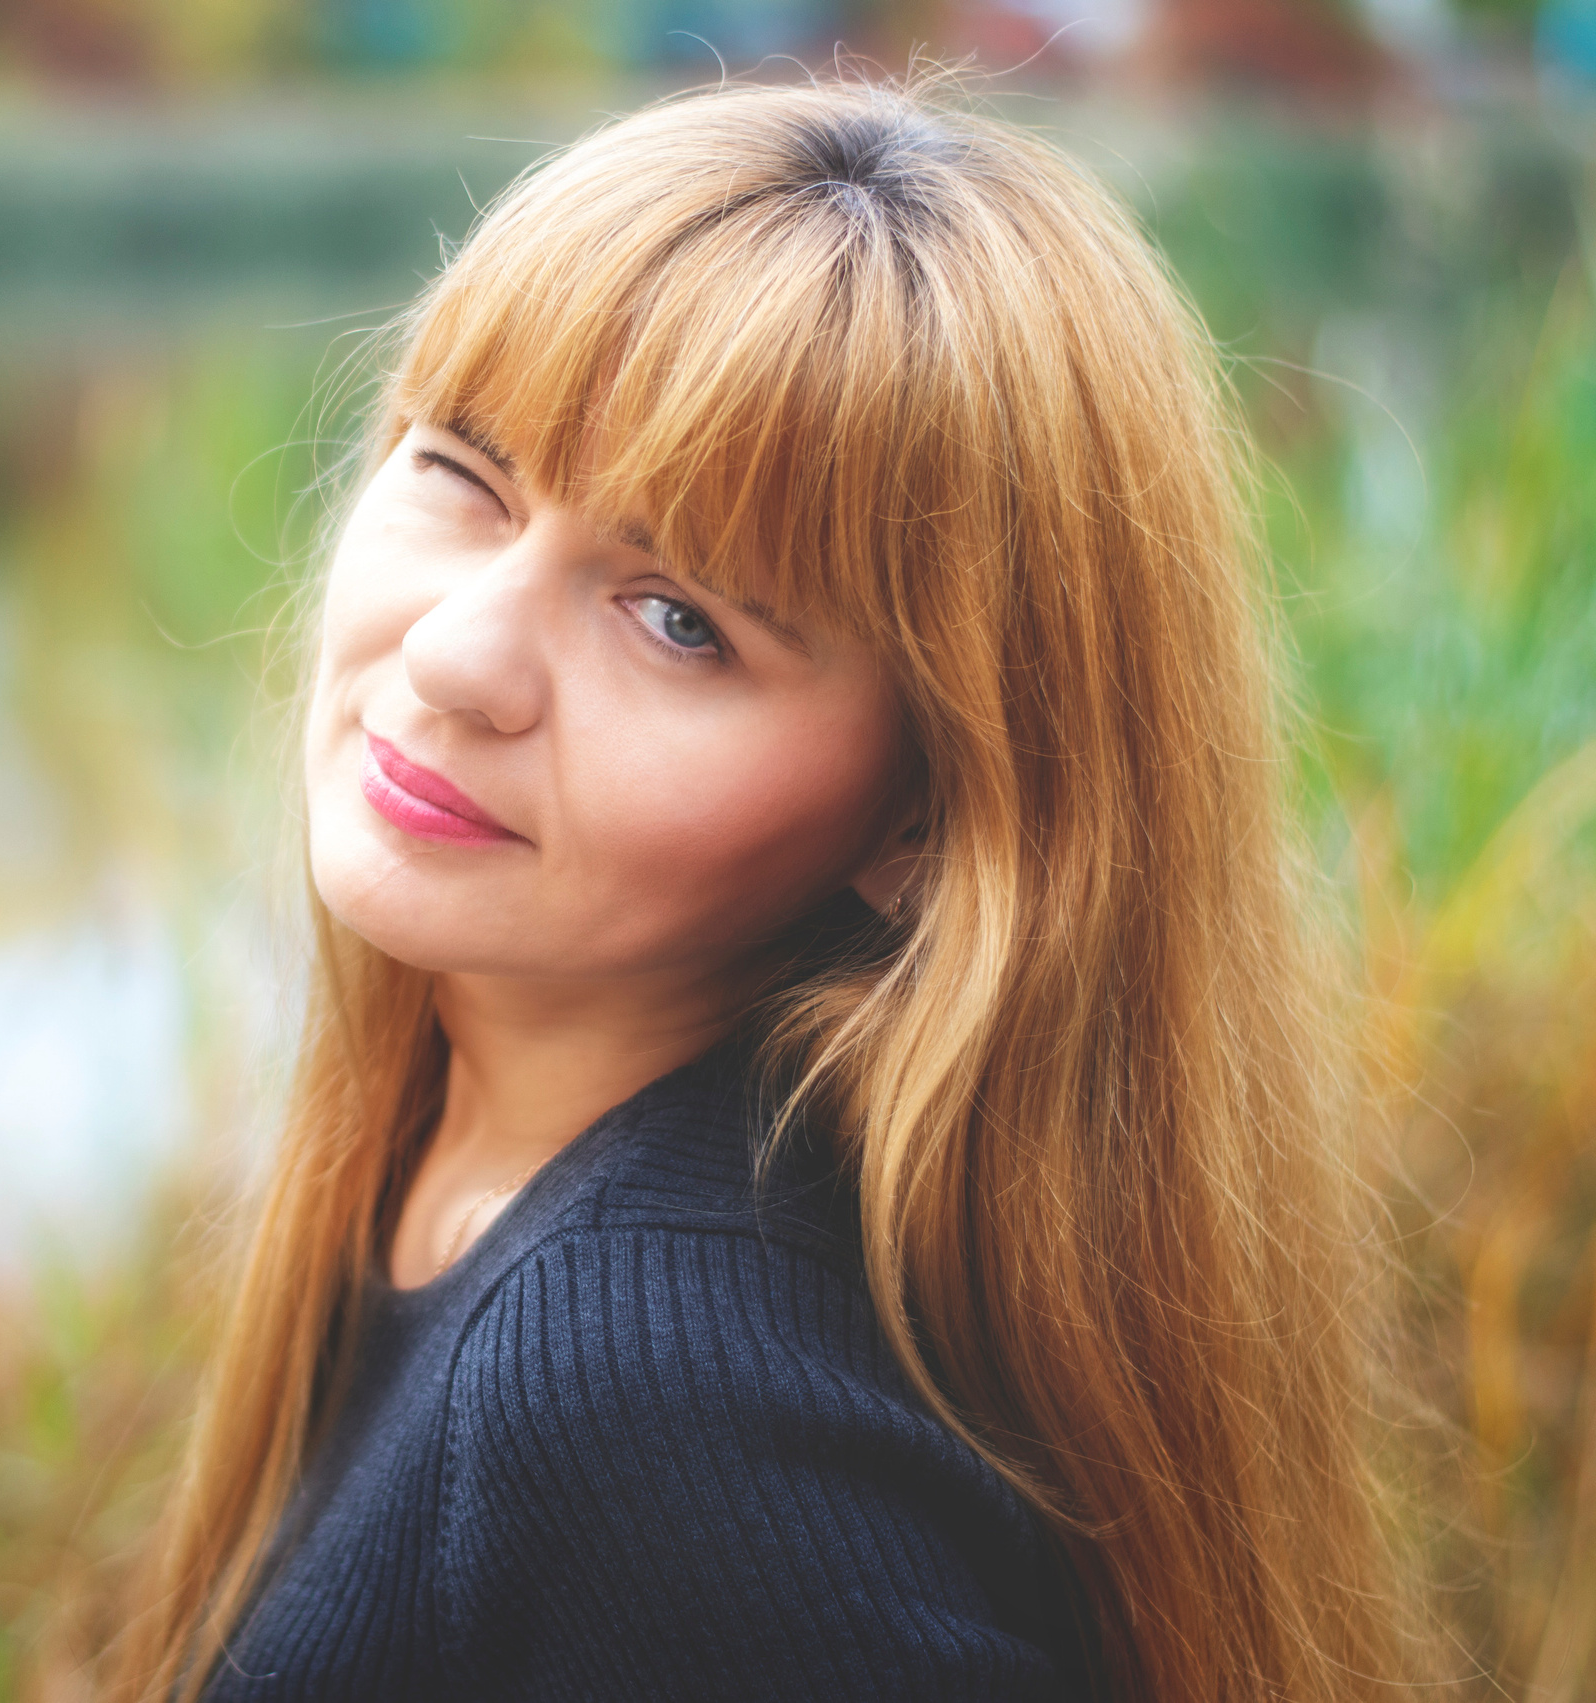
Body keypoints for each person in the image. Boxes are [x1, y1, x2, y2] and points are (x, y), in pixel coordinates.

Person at [107, 75, 1426, 1703]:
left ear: (929, 818)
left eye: (680, 620)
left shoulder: (664, 1402)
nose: (454, 655)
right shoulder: (478, 1142)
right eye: (466, 473)